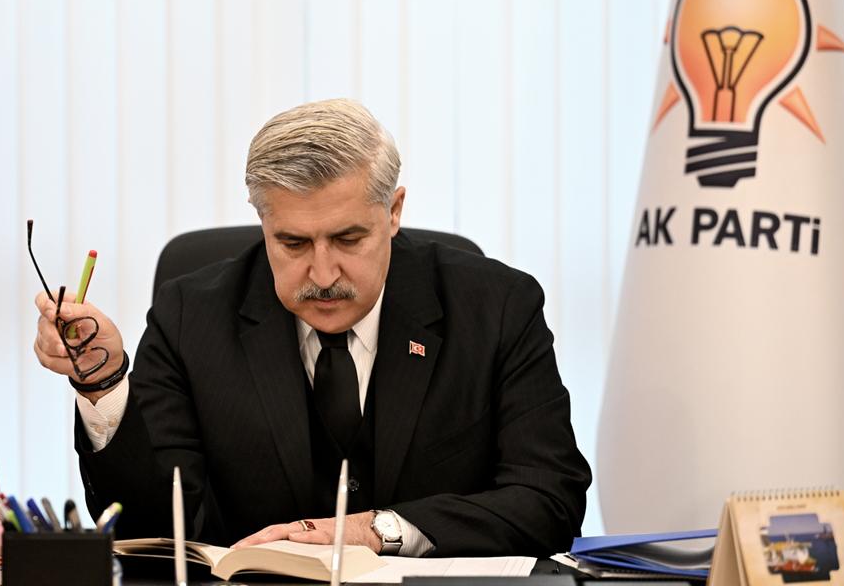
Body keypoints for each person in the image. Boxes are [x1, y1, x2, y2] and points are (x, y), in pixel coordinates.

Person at [32, 98, 591, 557]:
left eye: (348, 239)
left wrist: (378, 529)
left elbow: (550, 500)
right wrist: (103, 384)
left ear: (394, 212)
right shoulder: (189, 315)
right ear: (263, 223)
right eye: (293, 243)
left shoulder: (496, 306)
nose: (323, 275)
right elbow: (152, 529)